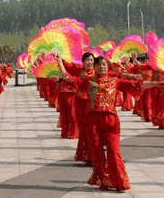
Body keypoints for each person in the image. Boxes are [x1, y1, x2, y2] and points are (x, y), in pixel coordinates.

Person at [55, 54, 163, 191]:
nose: (102, 66)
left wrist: (158, 84)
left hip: (111, 121)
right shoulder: (88, 80)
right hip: (92, 121)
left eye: (104, 64)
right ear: (94, 67)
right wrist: (59, 62)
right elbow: (67, 77)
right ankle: (104, 181)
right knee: (97, 153)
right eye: (98, 64)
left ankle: (119, 181)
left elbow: (138, 84)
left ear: (108, 66)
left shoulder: (114, 81)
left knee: (113, 152)